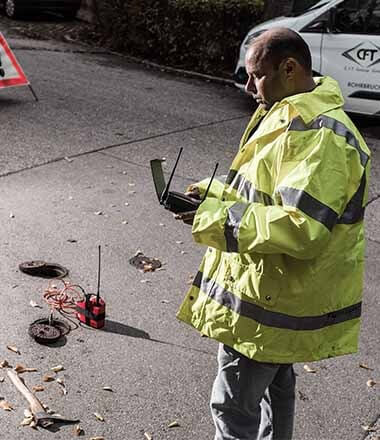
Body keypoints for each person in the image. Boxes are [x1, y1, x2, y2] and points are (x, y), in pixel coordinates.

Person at [175, 27, 371, 440]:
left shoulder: (320, 136)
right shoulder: (293, 116)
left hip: (269, 301)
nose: (248, 87)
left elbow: (303, 230)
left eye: (256, 75)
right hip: (278, 298)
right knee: (274, 393)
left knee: (231, 409)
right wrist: (214, 196)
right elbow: (267, 196)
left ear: (289, 68)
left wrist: (216, 218)